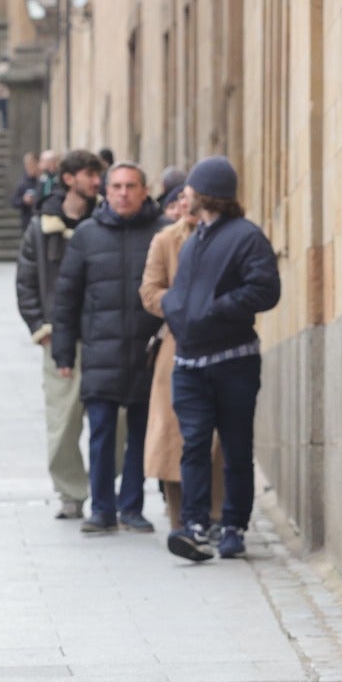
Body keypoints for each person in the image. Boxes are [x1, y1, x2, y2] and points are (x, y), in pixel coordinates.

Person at [161, 155, 282, 561]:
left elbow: (265, 290)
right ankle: (194, 525)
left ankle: (233, 525)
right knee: (193, 444)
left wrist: (217, 308)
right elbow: (182, 291)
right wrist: (177, 310)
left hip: (234, 362)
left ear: (208, 193)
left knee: (235, 446)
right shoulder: (195, 238)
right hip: (190, 364)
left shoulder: (246, 237)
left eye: (191, 189)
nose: (184, 195)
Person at [51, 162, 168, 535]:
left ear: (144, 190)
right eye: (116, 186)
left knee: (139, 433)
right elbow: (66, 298)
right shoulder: (87, 234)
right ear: (106, 191)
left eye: (131, 186)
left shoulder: (162, 233)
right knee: (100, 432)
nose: (123, 193)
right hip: (101, 353)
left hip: (146, 352)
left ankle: (132, 506)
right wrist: (64, 353)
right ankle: (101, 508)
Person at [16, 148, 105, 519]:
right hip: (59, 339)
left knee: (113, 424)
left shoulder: (107, 222)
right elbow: (26, 283)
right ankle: (71, 491)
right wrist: (42, 329)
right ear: (69, 179)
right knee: (63, 421)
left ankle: (104, 484)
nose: (97, 182)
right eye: (90, 175)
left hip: (105, 338)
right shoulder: (40, 228)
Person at [139, 176, 224, 529]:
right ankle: (179, 518)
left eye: (193, 198)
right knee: (172, 433)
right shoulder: (165, 240)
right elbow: (149, 291)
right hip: (175, 343)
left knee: (217, 434)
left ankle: (216, 514)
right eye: (182, 199)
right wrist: (182, 307)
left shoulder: (226, 238)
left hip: (221, 342)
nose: (187, 205)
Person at [10, 151, 42, 234]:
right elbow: (14, 201)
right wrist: (24, 200)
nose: (28, 167)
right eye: (27, 165)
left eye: (31, 164)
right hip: (28, 222)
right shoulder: (23, 182)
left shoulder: (43, 180)